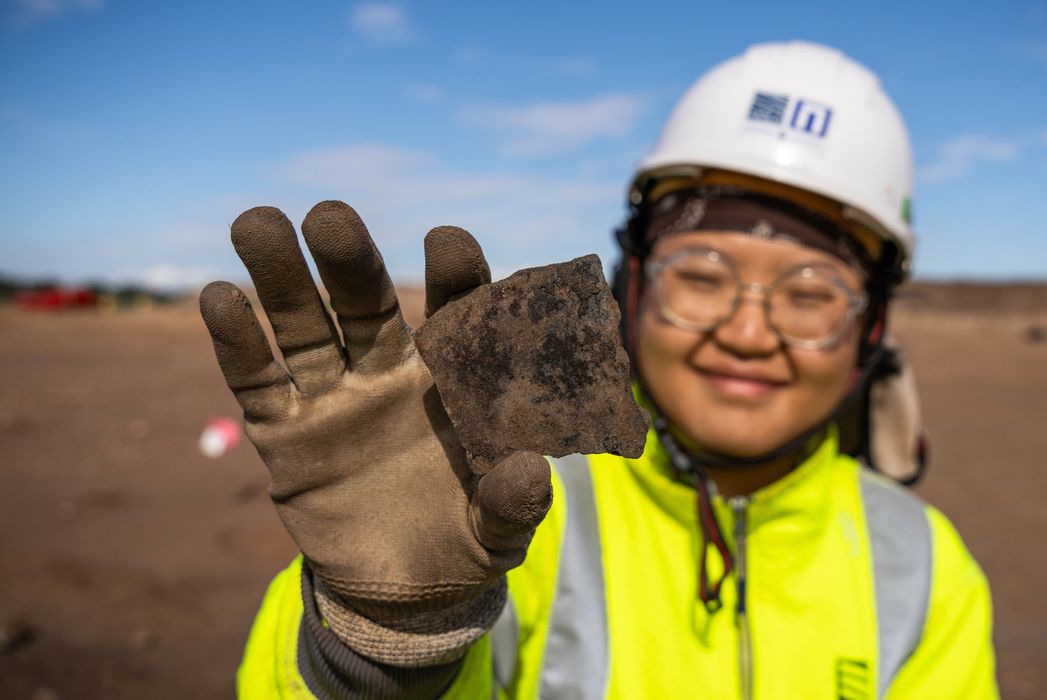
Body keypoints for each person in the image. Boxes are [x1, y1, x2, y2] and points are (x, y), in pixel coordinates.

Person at [201, 40, 998, 699]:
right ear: (634, 282)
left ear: (872, 327)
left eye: (812, 291)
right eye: (703, 272)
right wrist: (381, 650)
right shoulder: (502, 515)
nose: (749, 331)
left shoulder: (923, 572)